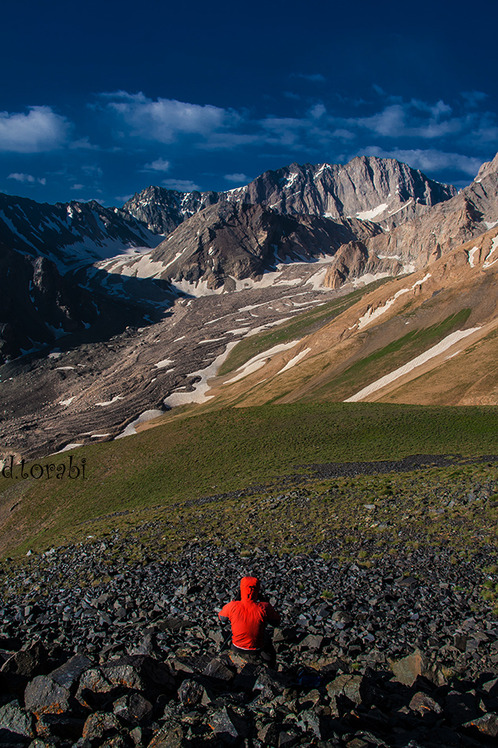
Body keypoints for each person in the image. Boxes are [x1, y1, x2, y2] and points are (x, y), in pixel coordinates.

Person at [218, 576, 281, 665]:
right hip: (256, 649)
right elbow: (276, 622)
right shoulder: (264, 607)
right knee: (267, 638)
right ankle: (271, 665)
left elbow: (222, 618)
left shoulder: (233, 605)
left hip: (237, 647)